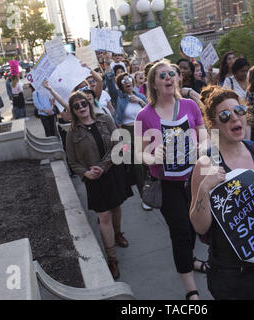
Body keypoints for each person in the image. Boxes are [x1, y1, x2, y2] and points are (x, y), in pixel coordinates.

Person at [189, 87, 254, 300]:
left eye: (239, 110)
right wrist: (205, 189)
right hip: (232, 272)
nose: (234, 117)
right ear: (213, 124)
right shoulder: (206, 163)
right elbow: (199, 226)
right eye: (225, 115)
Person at [135, 60, 209, 300]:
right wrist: (151, 156)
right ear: (154, 84)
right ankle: (191, 291)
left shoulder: (189, 105)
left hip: (195, 179)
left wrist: (202, 146)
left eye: (172, 74)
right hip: (168, 186)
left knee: (195, 228)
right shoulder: (143, 115)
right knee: (180, 232)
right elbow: (138, 153)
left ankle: (191, 259)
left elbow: (205, 135)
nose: (168, 77)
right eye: (162, 75)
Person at [66, 91, 133, 279]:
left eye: (83, 103)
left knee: (116, 206)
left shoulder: (105, 119)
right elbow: (72, 161)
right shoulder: (72, 132)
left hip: (112, 172)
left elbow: (118, 144)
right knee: (104, 215)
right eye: (76, 106)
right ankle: (112, 259)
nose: (81, 108)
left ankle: (118, 233)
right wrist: (85, 173)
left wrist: (102, 167)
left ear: (89, 103)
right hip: (93, 179)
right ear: (73, 110)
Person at [112, 72, 151, 211]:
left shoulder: (140, 96)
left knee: (149, 164)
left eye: (129, 79)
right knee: (137, 167)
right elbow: (118, 119)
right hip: (128, 133)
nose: (127, 82)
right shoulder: (120, 99)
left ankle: (154, 192)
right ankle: (144, 198)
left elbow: (150, 110)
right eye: (124, 81)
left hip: (144, 132)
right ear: (121, 86)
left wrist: (140, 101)